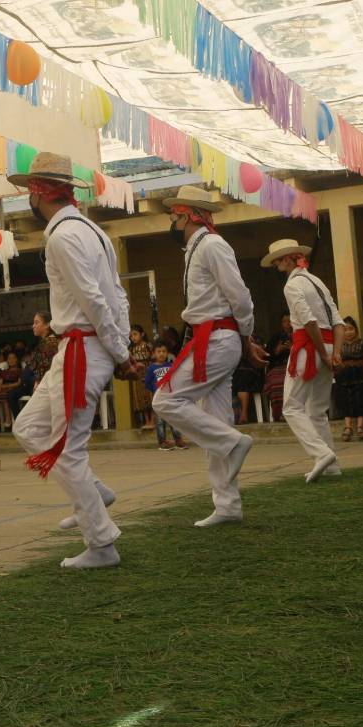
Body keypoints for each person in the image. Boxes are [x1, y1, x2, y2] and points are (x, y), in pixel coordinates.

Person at [9, 152, 132, 569]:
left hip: (83, 348)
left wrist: (120, 352)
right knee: (27, 428)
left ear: (38, 192)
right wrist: (121, 348)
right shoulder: (91, 231)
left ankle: (101, 542)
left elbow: (95, 299)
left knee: (67, 450)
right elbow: (116, 295)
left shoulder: (62, 237)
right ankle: (93, 495)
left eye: (28, 192)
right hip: (81, 347)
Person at [149, 186, 258, 524]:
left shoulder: (211, 245)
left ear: (186, 216)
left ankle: (233, 442)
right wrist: (245, 336)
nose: (171, 221)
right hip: (210, 339)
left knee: (164, 402)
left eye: (174, 215)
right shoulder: (197, 248)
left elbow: (239, 295)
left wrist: (245, 332)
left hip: (217, 339)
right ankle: (228, 504)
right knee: (215, 420)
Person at [263, 239, 344, 483]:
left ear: (288, 259)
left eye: (278, 259)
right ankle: (331, 465)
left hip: (310, 347)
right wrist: (335, 353)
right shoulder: (316, 281)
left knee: (291, 406)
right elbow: (338, 322)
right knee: (317, 410)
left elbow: (308, 322)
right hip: (326, 344)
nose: (276, 264)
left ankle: (321, 454)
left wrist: (322, 353)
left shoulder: (292, 285)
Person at [335, 317, 363, 441]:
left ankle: (360, 426)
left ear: (356, 330)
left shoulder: (362, 343)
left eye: (351, 329)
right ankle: (348, 427)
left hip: (359, 374)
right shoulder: (338, 345)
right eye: (345, 330)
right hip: (344, 375)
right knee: (346, 400)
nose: (348, 332)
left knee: (360, 399)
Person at [143, 343, 185, 450]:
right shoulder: (151, 368)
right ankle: (162, 442)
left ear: (167, 353)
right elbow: (147, 383)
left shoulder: (171, 366)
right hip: (159, 399)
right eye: (159, 351)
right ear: (154, 354)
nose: (161, 354)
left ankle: (178, 440)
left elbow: (176, 379)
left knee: (174, 419)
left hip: (171, 397)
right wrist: (155, 391)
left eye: (164, 351)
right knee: (160, 421)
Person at [262, 313, 293, 421]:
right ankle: (280, 414)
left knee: (295, 381)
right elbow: (267, 355)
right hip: (278, 367)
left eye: (290, 321)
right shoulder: (276, 337)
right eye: (285, 321)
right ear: (281, 324)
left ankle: (295, 413)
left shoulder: (299, 335)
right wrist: (277, 350)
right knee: (277, 382)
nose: (288, 324)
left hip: (294, 367)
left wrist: (292, 349)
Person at [127, 325, 155, 430]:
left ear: (142, 334)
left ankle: (153, 420)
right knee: (140, 398)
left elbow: (153, 357)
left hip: (148, 374)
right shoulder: (131, 349)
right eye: (131, 336)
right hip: (138, 376)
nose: (133, 337)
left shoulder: (148, 346)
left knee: (150, 396)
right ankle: (146, 421)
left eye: (135, 334)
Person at [0, 351, 22, 431]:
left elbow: (19, 383)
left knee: (6, 396)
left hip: (13, 388)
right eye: (9, 358)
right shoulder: (3, 372)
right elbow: (0, 382)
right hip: (4, 388)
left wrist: (7, 386)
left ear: (17, 360)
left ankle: (8, 420)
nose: (11, 360)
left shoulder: (20, 370)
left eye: (13, 358)